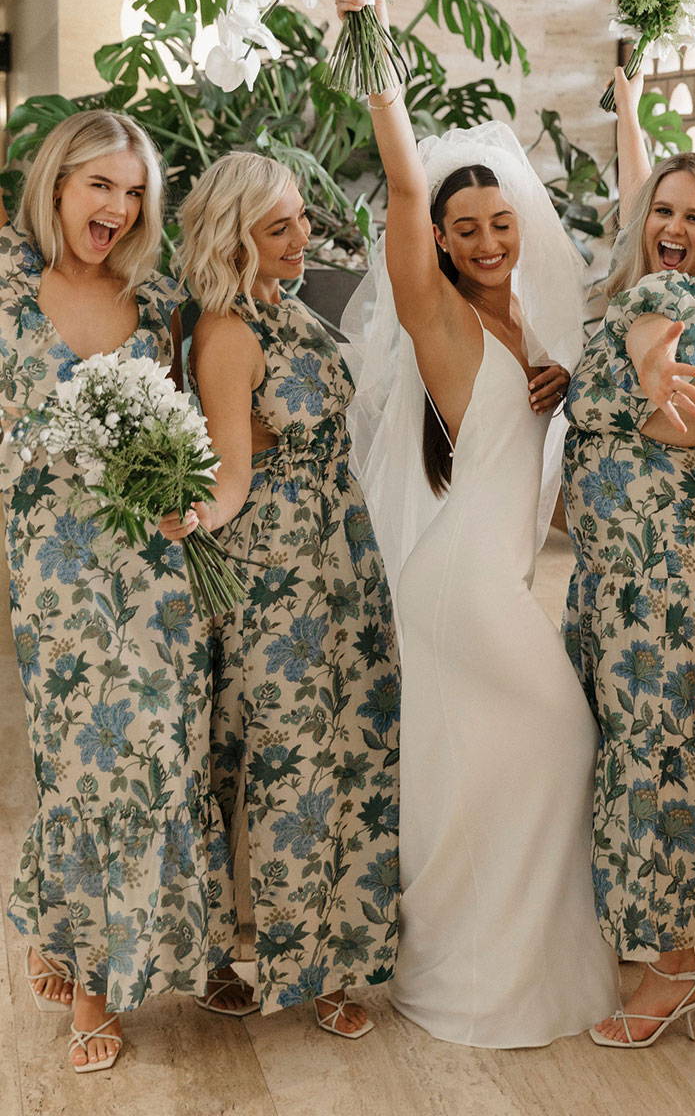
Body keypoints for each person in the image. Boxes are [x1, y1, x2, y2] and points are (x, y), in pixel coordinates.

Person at [340, 0, 619, 1047]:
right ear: (446, 244)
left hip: (498, 575)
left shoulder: (542, 342)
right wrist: (367, 39)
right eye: (468, 227)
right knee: (559, 736)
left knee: (485, 766)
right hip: (456, 580)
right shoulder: (441, 325)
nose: (488, 237)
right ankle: (477, 963)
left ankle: (485, 955)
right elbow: (404, 194)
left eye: (500, 220)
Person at [0, 111, 237, 1072]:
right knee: (81, 764)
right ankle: (83, 967)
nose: (119, 207)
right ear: (58, 184)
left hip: (153, 569)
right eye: (101, 185)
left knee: (154, 759)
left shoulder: (163, 297)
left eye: (134, 192)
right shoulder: (7, 290)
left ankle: (121, 959)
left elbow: (210, 413)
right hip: (55, 571)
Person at [161, 152, 399, 1039]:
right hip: (275, 582)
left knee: (354, 758)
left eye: (301, 218)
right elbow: (230, 479)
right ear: (235, 241)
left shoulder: (292, 309)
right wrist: (189, 514)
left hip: (342, 559)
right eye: (280, 228)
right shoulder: (228, 333)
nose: (304, 236)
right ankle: (289, 967)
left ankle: (341, 957)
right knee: (289, 772)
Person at [563, 67, 695, 1045]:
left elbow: (687, 418)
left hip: (660, 574)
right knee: (630, 750)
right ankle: (645, 938)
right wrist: (631, 112)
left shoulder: (679, 300)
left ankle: (669, 961)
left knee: (650, 755)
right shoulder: (645, 281)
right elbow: (643, 202)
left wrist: (640, 380)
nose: (674, 226)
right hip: (614, 571)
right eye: (664, 210)